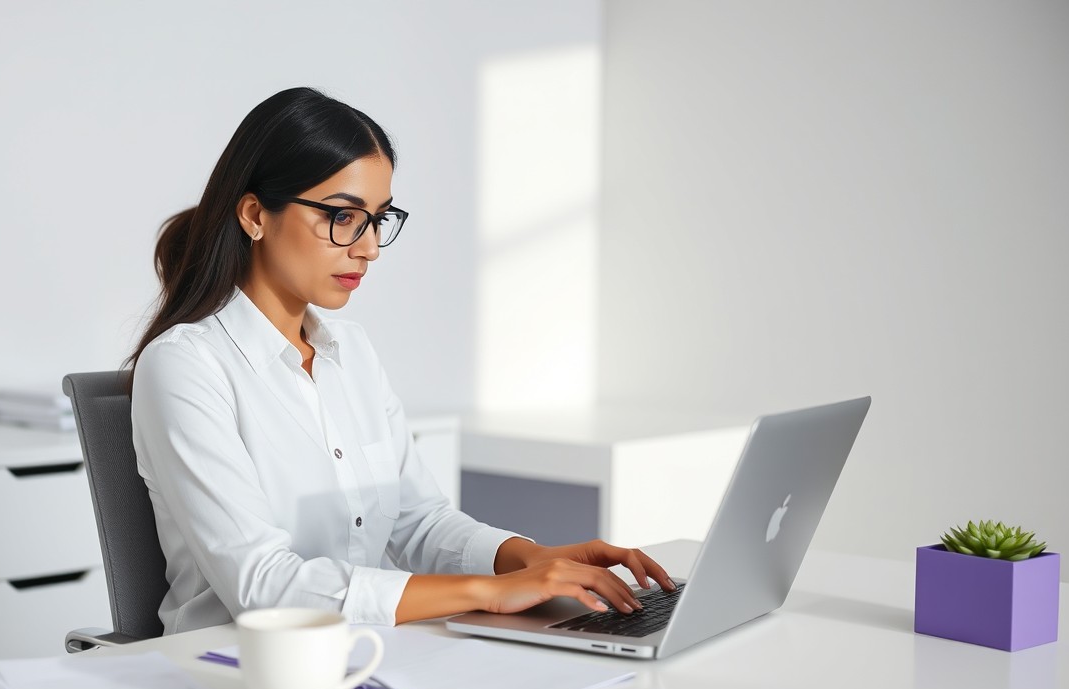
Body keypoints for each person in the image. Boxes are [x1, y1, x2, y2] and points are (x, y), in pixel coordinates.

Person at [126, 87, 676, 634]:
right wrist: (492, 591)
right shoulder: (185, 366)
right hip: (237, 671)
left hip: (370, 653)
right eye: (343, 217)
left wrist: (529, 558)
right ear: (254, 215)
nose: (369, 248)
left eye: (379, 219)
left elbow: (418, 521)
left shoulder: (352, 353)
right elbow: (263, 586)